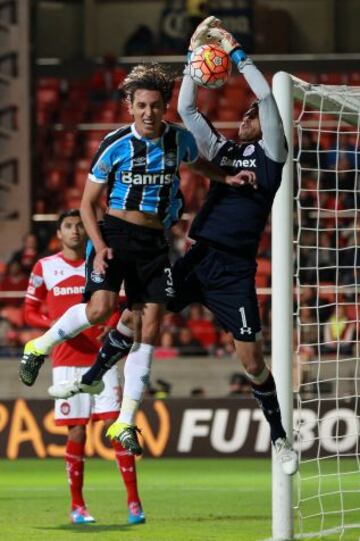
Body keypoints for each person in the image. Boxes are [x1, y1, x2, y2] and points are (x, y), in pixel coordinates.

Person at [47, 18, 298, 476]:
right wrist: (194, 51)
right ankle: (92, 378)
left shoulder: (272, 157)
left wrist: (233, 49)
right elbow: (187, 106)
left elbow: (264, 97)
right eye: (243, 114)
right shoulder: (219, 152)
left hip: (234, 270)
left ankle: (280, 437)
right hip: (197, 257)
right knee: (134, 316)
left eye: (253, 116)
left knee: (252, 361)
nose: (246, 117)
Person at [19, 63, 254, 455]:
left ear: (164, 107)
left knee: (150, 325)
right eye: (141, 105)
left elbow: (195, 164)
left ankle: (124, 422)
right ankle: (37, 347)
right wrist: (98, 248)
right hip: (114, 233)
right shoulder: (115, 144)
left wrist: (224, 178)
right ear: (130, 106)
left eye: (156, 105)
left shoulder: (178, 140)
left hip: (154, 242)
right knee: (100, 309)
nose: (148, 112)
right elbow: (87, 203)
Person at [23, 210, 145, 525]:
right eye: (68, 226)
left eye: (80, 225)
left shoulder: (102, 262)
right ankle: (77, 506)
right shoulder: (45, 267)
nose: (76, 231)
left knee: (116, 428)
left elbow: (123, 305)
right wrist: (55, 326)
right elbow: (29, 310)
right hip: (65, 360)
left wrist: (114, 324)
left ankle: (134, 503)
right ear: (59, 234)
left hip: (103, 357)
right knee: (77, 431)